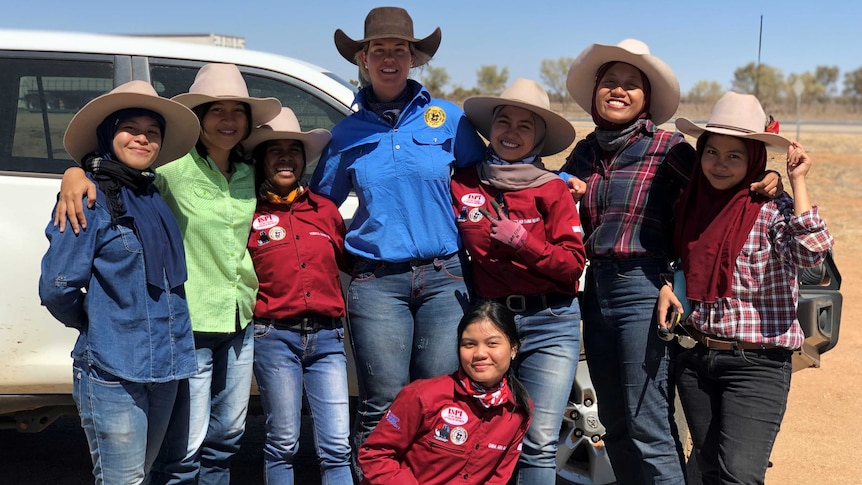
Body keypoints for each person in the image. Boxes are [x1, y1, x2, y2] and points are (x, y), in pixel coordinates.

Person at [559, 39, 782, 484]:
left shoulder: (670, 148)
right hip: (594, 288)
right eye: (610, 83)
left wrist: (769, 176)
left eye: (630, 85)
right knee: (616, 424)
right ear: (595, 92)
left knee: (648, 423)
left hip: (644, 286)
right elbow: (548, 195)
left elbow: (721, 181)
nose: (618, 91)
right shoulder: (584, 153)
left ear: (647, 99)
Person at [54, 63, 282, 484]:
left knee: (229, 434)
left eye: (238, 111)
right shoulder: (171, 168)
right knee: (183, 446)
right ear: (199, 119)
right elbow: (115, 172)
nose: (228, 120)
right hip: (188, 322)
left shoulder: (253, 173)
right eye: (216, 110)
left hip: (239, 316)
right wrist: (74, 173)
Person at [310, 6, 487, 471]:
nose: (389, 58)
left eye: (400, 50)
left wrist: (557, 180)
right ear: (363, 58)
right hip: (377, 285)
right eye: (379, 50)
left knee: (441, 397)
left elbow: (489, 179)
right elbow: (320, 206)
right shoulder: (346, 133)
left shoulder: (446, 120)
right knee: (382, 403)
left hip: (445, 278)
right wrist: (349, 255)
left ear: (414, 58)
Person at [657, 92, 833, 484]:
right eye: (712, 152)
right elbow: (674, 255)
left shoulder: (772, 208)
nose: (719, 164)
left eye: (734, 155)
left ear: (754, 157)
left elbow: (811, 255)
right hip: (697, 357)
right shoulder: (691, 204)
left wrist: (796, 180)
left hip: (758, 363)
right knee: (705, 468)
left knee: (740, 475)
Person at [39, 80, 200, 483]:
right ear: (109, 133)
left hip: (166, 366)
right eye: (131, 128)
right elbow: (57, 286)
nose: (143, 138)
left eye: (153, 132)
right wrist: (97, 322)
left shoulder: (152, 195)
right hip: (113, 369)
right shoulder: (87, 199)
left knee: (139, 476)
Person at [450, 78, 585, 484]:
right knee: (486, 437)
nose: (511, 132)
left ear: (539, 138)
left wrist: (524, 243)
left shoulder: (553, 190)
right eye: (503, 122)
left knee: (539, 442)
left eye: (525, 126)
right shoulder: (464, 182)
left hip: (551, 322)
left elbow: (572, 265)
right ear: (489, 131)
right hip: (492, 325)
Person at [244, 107, 352, 483]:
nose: (286, 157)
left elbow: (353, 261)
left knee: (338, 446)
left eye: (295, 149)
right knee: (283, 442)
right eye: (276, 150)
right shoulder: (248, 212)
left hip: (328, 338)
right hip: (274, 337)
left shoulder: (325, 211)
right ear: (261, 160)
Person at [358, 300, 532, 485]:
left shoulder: (519, 409)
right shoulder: (422, 395)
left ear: (513, 348)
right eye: (469, 344)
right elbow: (375, 455)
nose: (480, 353)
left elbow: (497, 478)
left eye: (492, 343)